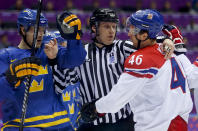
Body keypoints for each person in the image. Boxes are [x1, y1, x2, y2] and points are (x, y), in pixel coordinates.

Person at [52, 8, 175, 131]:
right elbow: (61, 86)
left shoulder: (122, 47)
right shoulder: (81, 53)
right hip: (91, 124)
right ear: (94, 28)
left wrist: (165, 40)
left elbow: (148, 41)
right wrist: (55, 60)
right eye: (106, 27)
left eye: (114, 27)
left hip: (123, 123)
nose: (112, 31)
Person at [80, 9, 193, 131]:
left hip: (157, 126)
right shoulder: (172, 53)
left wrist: (96, 109)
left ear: (144, 35)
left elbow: (119, 97)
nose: (129, 34)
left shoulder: (141, 59)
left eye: (133, 30)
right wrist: (169, 39)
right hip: (178, 123)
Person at [0, 8, 86, 131]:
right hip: (24, 125)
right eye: (36, 30)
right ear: (23, 30)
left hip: (60, 123)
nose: (41, 34)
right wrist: (10, 77)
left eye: (42, 30)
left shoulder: (48, 49)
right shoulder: (6, 56)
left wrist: (73, 37)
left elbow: (76, 60)